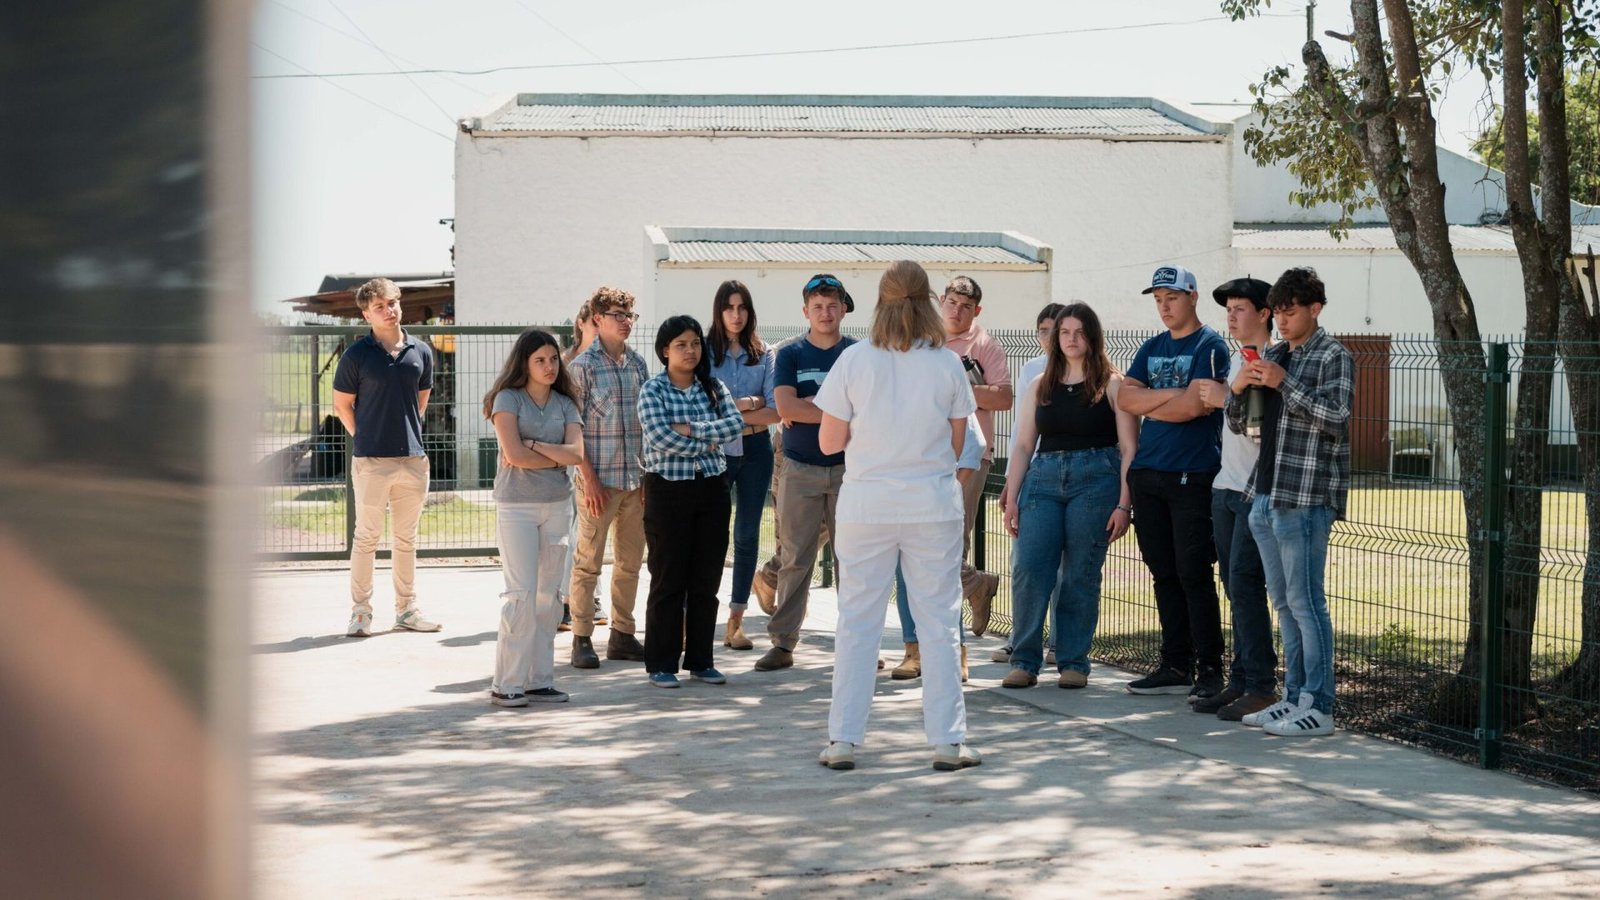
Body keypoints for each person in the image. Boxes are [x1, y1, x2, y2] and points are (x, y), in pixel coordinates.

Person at [814, 259, 980, 772]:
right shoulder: (948, 364)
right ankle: (948, 741)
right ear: (928, 300)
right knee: (938, 621)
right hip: (931, 504)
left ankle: (843, 739)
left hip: (867, 504)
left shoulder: (854, 361)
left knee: (857, 623)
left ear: (880, 302)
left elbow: (828, 442)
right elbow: (958, 443)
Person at [1228, 267, 1353, 737]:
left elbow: (1337, 418)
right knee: (1283, 602)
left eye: (1290, 310)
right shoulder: (1276, 353)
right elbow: (1244, 426)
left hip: (1305, 497)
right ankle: (1294, 697)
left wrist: (1283, 382)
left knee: (1306, 602)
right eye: (1277, 311)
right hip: (1266, 492)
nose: (1281, 320)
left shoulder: (1333, 355)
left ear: (1315, 309)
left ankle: (1319, 705)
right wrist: (1239, 392)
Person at [999, 303, 1138, 688]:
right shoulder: (1038, 384)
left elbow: (1129, 449)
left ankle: (1073, 661)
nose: (1071, 339)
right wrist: (1013, 494)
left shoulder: (1112, 384)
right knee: (1030, 568)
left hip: (1096, 481)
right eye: (1064, 332)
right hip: (1042, 481)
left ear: (1092, 336)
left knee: (1080, 572)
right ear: (1056, 337)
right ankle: (1024, 660)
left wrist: (1125, 503)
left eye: (1079, 332)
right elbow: (1024, 445)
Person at [1116, 265, 1231, 701]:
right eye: (1159, 300)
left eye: (1173, 298)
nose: (1165, 307)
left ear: (1193, 297)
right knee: (1162, 572)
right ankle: (1174, 663)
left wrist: (1153, 401)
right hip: (1148, 474)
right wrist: (1174, 396)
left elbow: (1195, 410)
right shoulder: (1152, 346)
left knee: (1193, 572)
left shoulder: (1211, 345)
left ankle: (1209, 670)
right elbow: (1125, 398)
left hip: (1193, 474)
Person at [754, 274, 857, 672]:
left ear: (843, 309)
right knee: (795, 557)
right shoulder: (791, 354)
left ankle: (855, 644)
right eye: (817, 307)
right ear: (806, 312)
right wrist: (835, 410)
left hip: (850, 470)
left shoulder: (856, 354)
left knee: (852, 560)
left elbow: (864, 410)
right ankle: (783, 643)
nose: (826, 313)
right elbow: (786, 409)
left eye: (832, 305)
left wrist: (813, 405)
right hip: (799, 469)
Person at [636, 316, 745, 688]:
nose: (690, 350)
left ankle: (701, 660)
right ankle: (661, 664)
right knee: (668, 579)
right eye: (681, 344)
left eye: (695, 343)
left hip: (712, 489)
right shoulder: (652, 390)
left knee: (706, 579)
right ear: (665, 350)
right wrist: (707, 439)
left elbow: (734, 426)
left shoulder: (713, 387)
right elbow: (661, 438)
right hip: (668, 490)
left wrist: (693, 430)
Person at [332, 277, 441, 637]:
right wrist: (364, 436)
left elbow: (420, 400)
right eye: (379, 306)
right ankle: (361, 613)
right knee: (366, 538)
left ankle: (406, 609)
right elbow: (342, 405)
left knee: (406, 540)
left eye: (392, 303)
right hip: (371, 461)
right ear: (366, 314)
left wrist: (408, 435)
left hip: (413, 460)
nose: (389, 310)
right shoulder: (356, 355)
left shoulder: (421, 351)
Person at [1194, 277, 1281, 721]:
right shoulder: (1235, 359)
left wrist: (1226, 396)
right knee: (1235, 586)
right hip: (1225, 487)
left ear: (1266, 313)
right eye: (1228, 308)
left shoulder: (1271, 361)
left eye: (1241, 308)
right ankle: (1242, 680)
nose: (1231, 315)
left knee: (1247, 586)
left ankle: (1261, 684)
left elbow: (1258, 429)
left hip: (1253, 490)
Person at [484, 329, 585, 706]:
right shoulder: (506, 399)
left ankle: (539, 680)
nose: (549, 366)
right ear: (524, 363)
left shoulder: (565, 403)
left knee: (549, 597)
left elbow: (576, 454)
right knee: (521, 595)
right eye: (540, 360)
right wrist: (551, 456)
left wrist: (537, 446)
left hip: (558, 505)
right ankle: (506, 683)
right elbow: (514, 455)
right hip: (517, 507)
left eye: (554, 359)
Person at [566, 286, 650, 668]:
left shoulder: (638, 365)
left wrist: (647, 477)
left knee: (631, 563)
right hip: (597, 483)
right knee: (588, 563)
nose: (626, 321)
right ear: (597, 319)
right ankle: (582, 637)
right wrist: (590, 480)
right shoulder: (581, 368)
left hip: (635, 481)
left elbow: (646, 426)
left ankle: (623, 634)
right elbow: (573, 430)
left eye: (629, 314)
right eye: (618, 314)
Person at [707, 281, 780, 651]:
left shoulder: (764, 353)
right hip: (715, 452)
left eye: (742, 308)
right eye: (729, 308)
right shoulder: (703, 352)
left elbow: (775, 409)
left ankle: (736, 621)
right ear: (719, 312)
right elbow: (705, 407)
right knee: (712, 537)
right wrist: (748, 404)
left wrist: (735, 405)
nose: (736, 315)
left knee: (748, 535)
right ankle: (701, 618)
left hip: (755, 450)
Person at [996, 301, 1068, 665]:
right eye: (1043, 330)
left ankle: (1059, 642)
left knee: (1065, 567)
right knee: (1025, 562)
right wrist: (1013, 482)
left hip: (1069, 474)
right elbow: (1022, 436)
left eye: (1056, 329)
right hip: (1033, 472)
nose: (1050, 337)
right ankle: (1021, 639)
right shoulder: (1033, 370)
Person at [888, 410, 984, 683]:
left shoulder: (945, 380)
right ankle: (913, 651)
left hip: (937, 504)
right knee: (903, 574)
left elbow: (974, 443)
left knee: (944, 577)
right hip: (896, 500)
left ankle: (956, 654)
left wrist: (950, 489)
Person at [939, 276, 1009, 635]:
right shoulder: (925, 338)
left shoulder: (985, 345)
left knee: (953, 535)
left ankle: (948, 631)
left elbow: (1004, 398)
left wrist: (962, 387)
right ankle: (976, 586)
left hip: (970, 453)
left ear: (976, 310)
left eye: (966, 306)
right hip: (927, 451)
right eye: (952, 302)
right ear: (941, 300)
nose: (957, 310)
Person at [559, 298, 604, 631]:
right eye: (594, 322)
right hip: (568, 456)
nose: (599, 329)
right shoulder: (564, 363)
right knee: (571, 531)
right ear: (581, 322)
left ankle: (592, 598)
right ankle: (565, 600)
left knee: (592, 532)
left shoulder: (609, 361)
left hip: (601, 456)